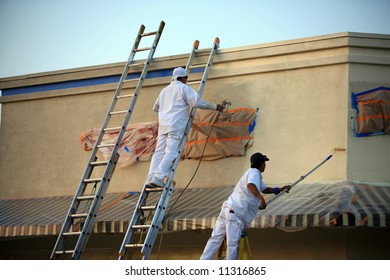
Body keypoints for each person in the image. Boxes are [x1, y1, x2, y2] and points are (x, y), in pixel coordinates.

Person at [200, 152, 291, 260]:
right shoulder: (255, 173)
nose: (265, 165)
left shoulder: (251, 173)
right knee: (232, 244)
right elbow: (250, 185)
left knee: (215, 239)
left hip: (227, 209)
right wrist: (261, 198)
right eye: (264, 163)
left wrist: (279, 190)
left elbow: (264, 188)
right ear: (261, 164)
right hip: (236, 213)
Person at [146, 67, 224, 188]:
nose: (186, 80)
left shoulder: (164, 90)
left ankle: (150, 177)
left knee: (159, 152)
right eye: (186, 78)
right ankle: (158, 177)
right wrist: (215, 106)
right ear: (183, 78)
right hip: (175, 125)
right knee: (171, 152)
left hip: (163, 126)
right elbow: (196, 103)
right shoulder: (184, 88)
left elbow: (155, 108)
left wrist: (166, 110)